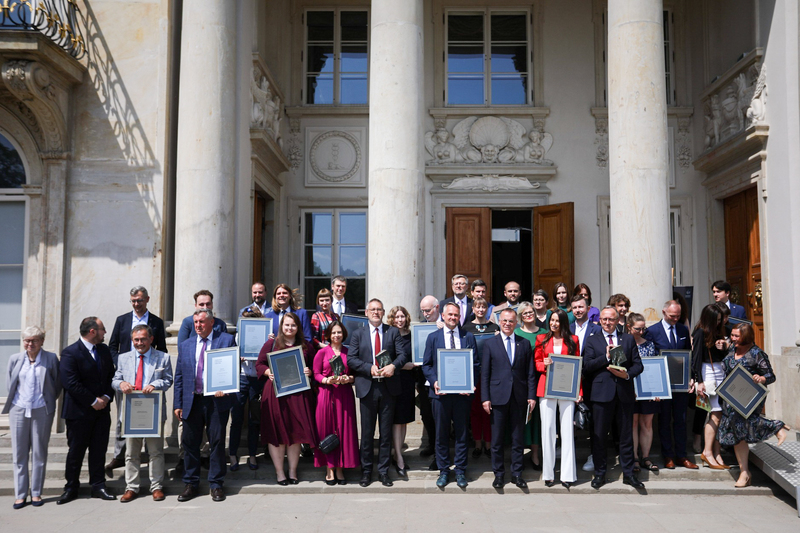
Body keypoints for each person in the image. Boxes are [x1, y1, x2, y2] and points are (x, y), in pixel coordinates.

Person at [173, 309, 236, 502]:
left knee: (216, 442)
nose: (198, 325)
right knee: (190, 443)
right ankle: (191, 483)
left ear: (211, 322)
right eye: (196, 322)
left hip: (216, 400)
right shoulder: (186, 345)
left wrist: (225, 387)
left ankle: (216, 484)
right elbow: (180, 376)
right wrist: (178, 403)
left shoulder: (225, 340)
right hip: (193, 400)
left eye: (201, 322)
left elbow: (232, 368)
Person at [717, 323, 791, 487]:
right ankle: (744, 472)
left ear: (746, 336)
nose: (733, 339)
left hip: (749, 396)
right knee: (738, 434)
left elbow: (771, 376)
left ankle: (777, 427)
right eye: (732, 335)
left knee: (747, 422)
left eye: (737, 336)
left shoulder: (756, 353)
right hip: (732, 396)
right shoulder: (732, 349)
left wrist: (761, 378)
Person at [106, 286, 168, 478]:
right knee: (122, 420)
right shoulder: (122, 320)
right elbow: (112, 346)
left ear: (147, 299)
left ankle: (151, 460)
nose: (136, 304)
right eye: (133, 300)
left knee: (150, 423)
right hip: (127, 381)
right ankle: (119, 455)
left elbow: (162, 348)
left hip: (149, 381)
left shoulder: (156, 322)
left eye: (139, 300)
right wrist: (123, 367)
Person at [348, 298, 408, 487]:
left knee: (385, 433)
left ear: (383, 313)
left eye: (379, 310)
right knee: (366, 433)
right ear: (366, 312)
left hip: (388, 388)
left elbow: (403, 355)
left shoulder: (393, 333)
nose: (376, 312)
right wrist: (368, 368)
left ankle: (383, 472)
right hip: (367, 388)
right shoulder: (358, 334)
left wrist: (393, 366)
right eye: (372, 309)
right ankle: (366, 472)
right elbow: (351, 359)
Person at [583, 306, 644, 490]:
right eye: (604, 319)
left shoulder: (627, 339)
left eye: (611, 319)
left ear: (618, 320)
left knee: (626, 437)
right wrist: (606, 356)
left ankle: (628, 474)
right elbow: (587, 366)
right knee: (599, 436)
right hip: (601, 396)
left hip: (624, 394)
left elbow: (638, 365)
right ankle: (600, 474)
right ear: (599, 320)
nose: (607, 323)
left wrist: (626, 376)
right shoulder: (592, 340)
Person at [58, 317, 116, 504]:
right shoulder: (70, 353)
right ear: (92, 331)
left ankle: (98, 485)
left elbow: (110, 377)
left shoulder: (104, 350)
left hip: (101, 412)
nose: (104, 333)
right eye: (102, 329)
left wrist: (106, 397)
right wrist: (92, 401)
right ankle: (71, 487)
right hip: (78, 413)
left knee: (99, 451)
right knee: (76, 452)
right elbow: (70, 383)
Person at [111, 325, 173, 502]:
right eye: (136, 340)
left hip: (152, 410)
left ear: (151, 339)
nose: (139, 343)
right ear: (132, 340)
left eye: (143, 339)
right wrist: (121, 385)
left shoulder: (162, 358)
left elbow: (168, 379)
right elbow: (115, 380)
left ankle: (156, 486)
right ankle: (132, 487)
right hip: (132, 411)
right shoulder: (124, 358)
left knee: (155, 452)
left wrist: (155, 385)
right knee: (131, 452)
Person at [422, 302, 480, 489]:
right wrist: (434, 381)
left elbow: (476, 365)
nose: (453, 318)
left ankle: (461, 470)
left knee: (462, 434)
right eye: (450, 315)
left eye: (456, 315)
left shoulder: (468, 337)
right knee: (441, 434)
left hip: (462, 395)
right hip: (440, 394)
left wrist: (470, 384)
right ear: (443, 316)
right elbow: (427, 365)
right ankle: (444, 470)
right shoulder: (433, 337)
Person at [256, 312, 318, 485]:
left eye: (293, 325)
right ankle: (279, 472)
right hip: (276, 394)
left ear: (298, 327)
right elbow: (259, 364)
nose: (289, 328)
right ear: (281, 326)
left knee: (295, 433)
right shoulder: (272, 344)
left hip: (299, 395)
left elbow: (315, 366)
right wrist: (268, 372)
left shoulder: (306, 346)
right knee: (277, 433)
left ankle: (292, 471)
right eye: (287, 325)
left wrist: (310, 372)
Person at [4, 326, 60, 509]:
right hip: (19, 409)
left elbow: (56, 384)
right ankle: (20, 494)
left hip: (41, 410)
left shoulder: (51, 359)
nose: (30, 343)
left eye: (34, 340)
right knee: (19, 453)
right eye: (27, 340)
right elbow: (10, 383)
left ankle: (36, 493)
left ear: (42, 341)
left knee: (39, 453)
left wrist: (48, 402)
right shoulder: (15, 359)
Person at [481, 308, 537, 489]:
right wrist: (485, 398)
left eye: (511, 321)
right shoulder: (490, 344)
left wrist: (531, 396)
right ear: (499, 322)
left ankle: (517, 474)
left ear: (516, 323)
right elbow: (485, 374)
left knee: (517, 439)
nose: (507, 324)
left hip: (519, 397)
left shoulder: (524, 343)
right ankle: (498, 475)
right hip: (497, 398)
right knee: (496, 440)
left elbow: (530, 373)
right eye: (504, 321)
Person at [644, 300, 698, 470]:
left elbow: (688, 356)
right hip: (662, 384)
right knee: (665, 420)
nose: (676, 319)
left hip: (680, 384)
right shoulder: (652, 331)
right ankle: (668, 456)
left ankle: (682, 455)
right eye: (672, 316)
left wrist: (691, 378)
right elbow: (650, 359)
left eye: (678, 316)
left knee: (681, 420)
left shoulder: (683, 329)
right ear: (664, 312)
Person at [534, 309, 581, 488]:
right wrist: (543, 364)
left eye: (557, 321)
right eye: (551, 320)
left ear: (563, 322)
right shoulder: (542, 339)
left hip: (568, 388)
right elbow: (536, 362)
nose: (553, 324)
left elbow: (578, 366)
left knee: (567, 430)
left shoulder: (573, 340)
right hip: (546, 387)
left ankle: (568, 475)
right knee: (547, 430)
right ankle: (548, 474)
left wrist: (579, 392)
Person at [313, 321, 359, 485]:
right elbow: (316, 373)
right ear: (328, 335)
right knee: (327, 429)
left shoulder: (349, 352)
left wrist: (349, 378)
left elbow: (355, 373)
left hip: (344, 394)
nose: (336, 335)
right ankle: (330, 468)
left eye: (339, 332)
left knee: (344, 430)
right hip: (326, 395)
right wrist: (326, 380)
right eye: (333, 333)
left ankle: (341, 467)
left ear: (343, 334)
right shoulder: (322, 352)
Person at [692, 304, 730, 470]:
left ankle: (716, 452)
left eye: (720, 320)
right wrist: (698, 381)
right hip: (708, 373)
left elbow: (724, 357)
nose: (719, 323)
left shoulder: (720, 332)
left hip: (721, 372)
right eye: (716, 320)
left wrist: (724, 348)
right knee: (715, 413)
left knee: (719, 414)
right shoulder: (701, 332)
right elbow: (696, 359)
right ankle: (707, 453)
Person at [569, 294, 603, 472]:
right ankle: (569, 452)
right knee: (569, 418)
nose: (577, 310)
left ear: (588, 309)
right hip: (570, 381)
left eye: (580, 307)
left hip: (592, 381)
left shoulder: (597, 330)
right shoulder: (567, 329)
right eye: (574, 308)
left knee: (593, 420)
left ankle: (593, 455)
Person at [463, 297, 497, 458]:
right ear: (473, 310)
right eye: (478, 307)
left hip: (491, 374)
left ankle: (489, 445)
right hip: (473, 374)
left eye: (484, 307)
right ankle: (477, 444)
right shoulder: (466, 328)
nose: (481, 310)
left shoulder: (495, 327)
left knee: (488, 410)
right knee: (475, 410)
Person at [229, 307, 263, 472]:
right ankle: (233, 454)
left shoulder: (264, 336)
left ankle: (252, 454)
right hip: (241, 377)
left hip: (257, 379)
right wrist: (237, 357)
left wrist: (269, 342)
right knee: (236, 418)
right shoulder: (235, 337)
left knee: (254, 420)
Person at [514, 302, 545, 471]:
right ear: (520, 316)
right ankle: (518, 454)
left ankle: (535, 454)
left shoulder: (545, 333)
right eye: (524, 313)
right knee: (520, 419)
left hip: (540, 381)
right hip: (520, 381)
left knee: (536, 420)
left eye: (531, 311)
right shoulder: (516, 333)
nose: (528, 315)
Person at [628, 313, 660, 474]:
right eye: (637, 329)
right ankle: (634, 458)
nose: (641, 331)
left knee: (646, 424)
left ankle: (645, 457)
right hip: (629, 390)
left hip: (648, 389)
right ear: (629, 327)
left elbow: (655, 368)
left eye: (643, 328)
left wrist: (658, 389)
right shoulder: (623, 343)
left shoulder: (650, 345)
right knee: (633, 423)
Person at [387, 306, 415, 477]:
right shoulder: (389, 336)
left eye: (402, 316)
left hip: (408, 382)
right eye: (396, 317)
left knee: (403, 420)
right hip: (393, 381)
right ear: (392, 319)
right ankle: (398, 458)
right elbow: (387, 360)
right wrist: (405, 365)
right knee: (396, 420)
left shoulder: (413, 336)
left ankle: (398, 453)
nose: (399, 319)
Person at [416, 295, 441, 461]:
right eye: (423, 311)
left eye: (428, 310)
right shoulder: (420, 329)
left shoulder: (447, 325)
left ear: (437, 308)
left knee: (441, 417)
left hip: (441, 380)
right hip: (424, 380)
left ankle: (440, 452)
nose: (425, 314)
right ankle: (431, 445)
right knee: (426, 414)